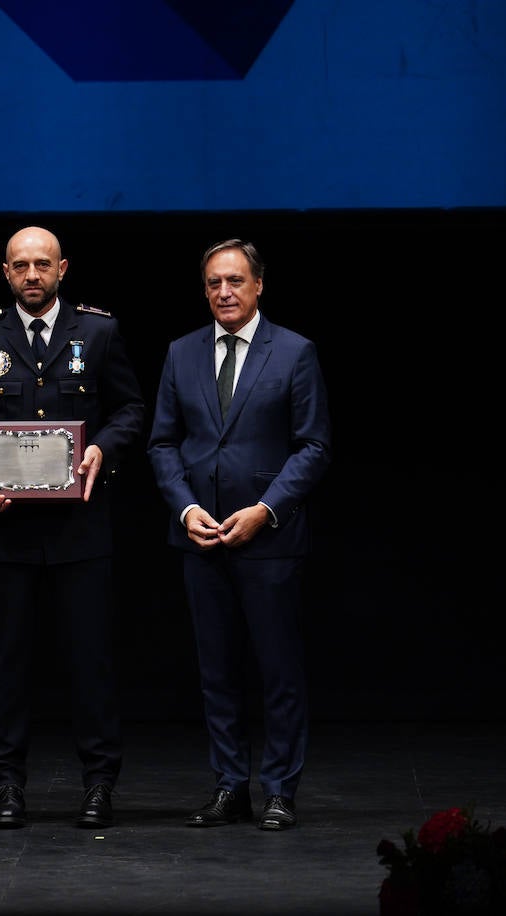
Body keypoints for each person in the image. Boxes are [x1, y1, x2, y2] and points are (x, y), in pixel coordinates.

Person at [0, 226, 146, 830]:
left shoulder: (99, 331)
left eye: (43, 265)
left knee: (91, 664)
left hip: (81, 530)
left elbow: (131, 407)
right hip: (4, 535)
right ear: (5, 272)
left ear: (63, 269)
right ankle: (6, 786)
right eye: (21, 266)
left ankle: (99, 785)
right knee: (7, 667)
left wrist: (103, 449)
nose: (32, 275)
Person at [146, 239, 332, 832]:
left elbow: (314, 446)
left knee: (278, 672)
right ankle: (230, 786)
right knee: (217, 673)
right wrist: (184, 508)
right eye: (212, 283)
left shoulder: (296, 352)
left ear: (258, 286)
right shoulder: (181, 353)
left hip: (269, 540)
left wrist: (265, 508)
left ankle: (279, 789)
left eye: (234, 281)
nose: (223, 292)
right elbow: (163, 443)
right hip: (201, 539)